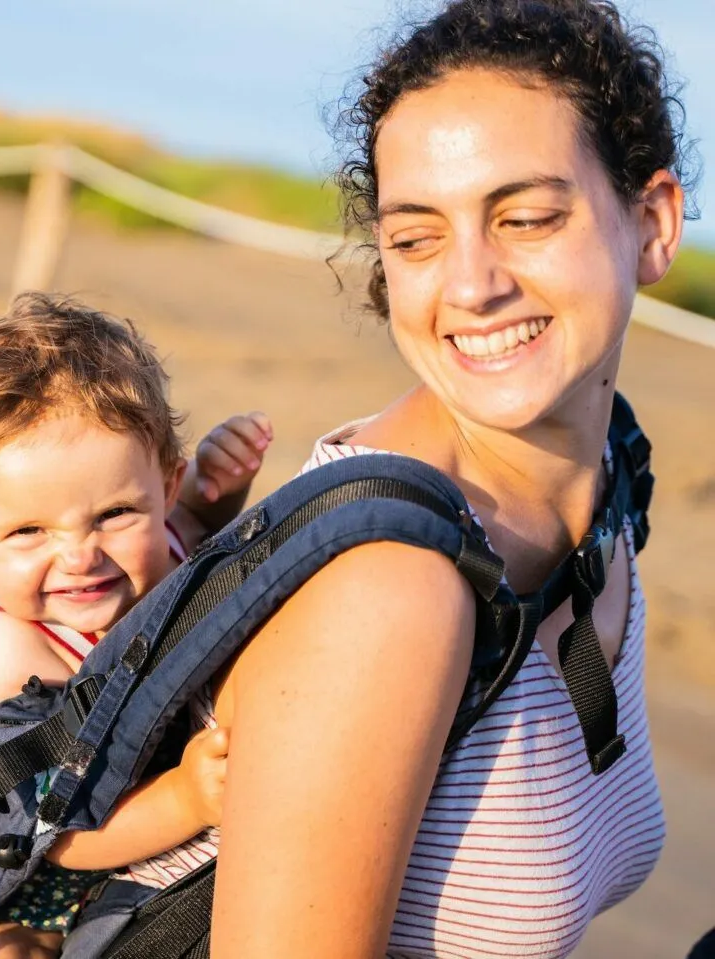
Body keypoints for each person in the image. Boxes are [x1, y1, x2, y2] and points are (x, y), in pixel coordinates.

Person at [128, 2, 692, 956]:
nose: (471, 285)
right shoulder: (387, 589)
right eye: (418, 237)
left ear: (653, 223)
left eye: (525, 217)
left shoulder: (607, 489)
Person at [0, 291, 274, 958]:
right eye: (27, 531)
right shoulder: (13, 652)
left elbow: (196, 532)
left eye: (113, 514)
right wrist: (188, 799)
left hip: (154, 872)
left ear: (166, 485)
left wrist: (220, 485)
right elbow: (58, 831)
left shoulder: (160, 539)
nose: (80, 556)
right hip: (33, 887)